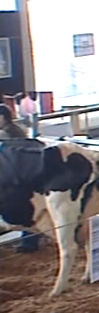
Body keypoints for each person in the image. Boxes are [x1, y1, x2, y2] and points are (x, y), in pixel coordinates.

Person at [0, 104, 41, 254]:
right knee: (29, 210)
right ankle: (30, 241)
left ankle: (29, 243)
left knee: (24, 210)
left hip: (14, 177)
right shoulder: (17, 129)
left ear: (2, 117)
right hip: (25, 174)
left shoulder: (5, 134)